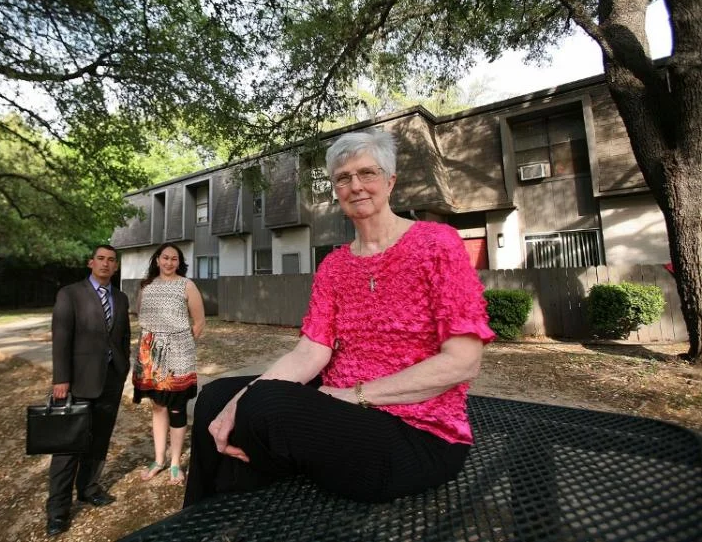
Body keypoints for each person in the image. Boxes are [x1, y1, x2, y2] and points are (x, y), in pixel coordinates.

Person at [183, 130, 496, 507]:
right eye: (343, 177)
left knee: (266, 407)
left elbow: (463, 362)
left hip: (419, 434)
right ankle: (204, 518)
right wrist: (240, 398)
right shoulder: (334, 265)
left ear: (390, 181)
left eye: (368, 173)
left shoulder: (438, 244)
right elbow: (310, 352)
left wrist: (352, 396)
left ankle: (251, 505)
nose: (356, 185)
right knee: (217, 396)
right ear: (335, 188)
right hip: (339, 411)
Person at [45, 245, 131, 537]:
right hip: (78, 382)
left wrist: (124, 367)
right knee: (68, 447)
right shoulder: (70, 294)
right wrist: (61, 379)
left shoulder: (120, 297)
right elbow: (61, 338)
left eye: (111, 261)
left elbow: (123, 336)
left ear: (116, 267)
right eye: (101, 259)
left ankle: (88, 488)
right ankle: (57, 511)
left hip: (111, 380)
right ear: (90, 262)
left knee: (99, 441)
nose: (106, 264)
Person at [132, 242, 206, 486]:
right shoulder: (146, 287)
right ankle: (158, 459)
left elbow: (199, 321)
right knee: (157, 406)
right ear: (157, 260)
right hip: (150, 355)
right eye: (165, 258)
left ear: (179, 262)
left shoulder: (187, 285)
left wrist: (181, 344)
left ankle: (175, 462)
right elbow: (143, 318)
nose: (169, 262)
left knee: (176, 408)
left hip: (178, 355)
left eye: (174, 259)